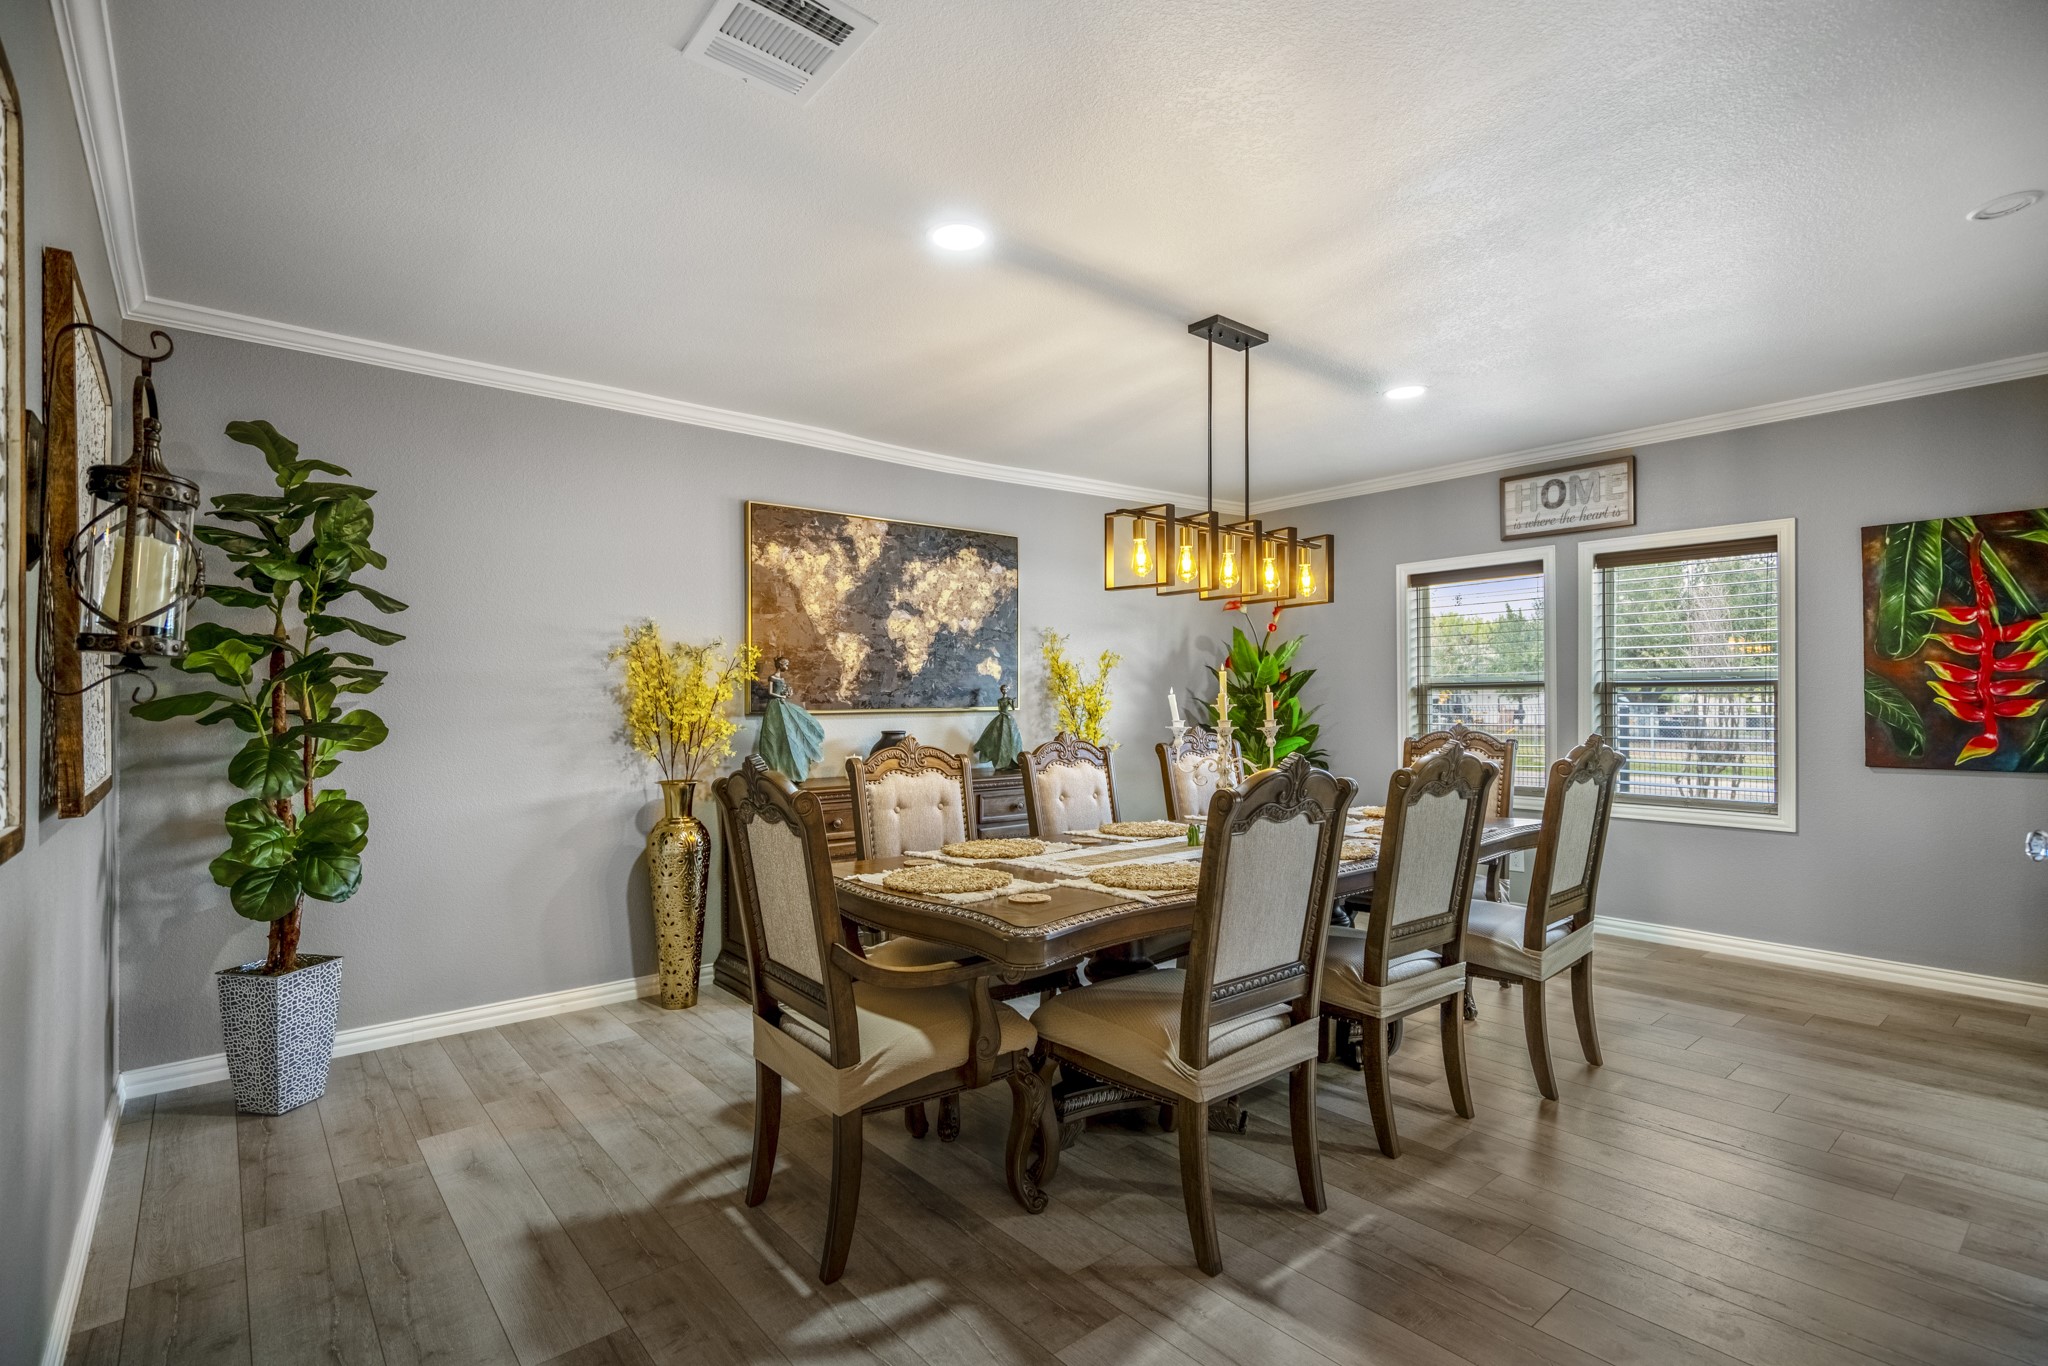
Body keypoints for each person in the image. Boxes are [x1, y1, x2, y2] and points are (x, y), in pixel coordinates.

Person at [754, 657, 825, 781]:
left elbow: (781, 690)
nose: (787, 666)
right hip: (774, 706)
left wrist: (787, 694)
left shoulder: (781, 678)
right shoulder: (773, 678)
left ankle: (790, 768)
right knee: (776, 732)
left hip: (781, 703)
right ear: (780, 665)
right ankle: (774, 767)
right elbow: (770, 692)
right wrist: (781, 695)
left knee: (791, 727)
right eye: (786, 664)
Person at [973, 681, 1024, 770]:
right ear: (1001, 690)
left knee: (1012, 738)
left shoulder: (1009, 699)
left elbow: (1012, 708)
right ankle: (1001, 761)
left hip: (1008, 718)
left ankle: (1012, 761)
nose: (1004, 691)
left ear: (1007, 690)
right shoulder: (999, 700)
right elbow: (1000, 709)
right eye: (1002, 689)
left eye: (1005, 689)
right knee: (997, 737)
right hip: (1001, 717)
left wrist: (1012, 702)